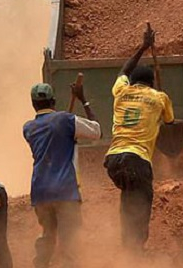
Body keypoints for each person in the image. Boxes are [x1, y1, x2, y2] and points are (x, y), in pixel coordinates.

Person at [104, 24, 175, 250]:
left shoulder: (121, 91)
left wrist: (143, 47)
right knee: (142, 206)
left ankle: (126, 248)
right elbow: (171, 123)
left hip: (113, 160)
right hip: (137, 159)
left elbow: (123, 71)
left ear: (132, 82)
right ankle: (135, 252)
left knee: (128, 198)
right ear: (152, 84)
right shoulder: (160, 98)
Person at [23, 81, 101, 268]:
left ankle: (40, 265)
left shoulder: (28, 128)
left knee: (48, 235)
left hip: (40, 191)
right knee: (69, 242)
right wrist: (84, 101)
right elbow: (97, 131)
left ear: (33, 105)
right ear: (54, 101)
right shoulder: (66, 120)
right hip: (65, 190)